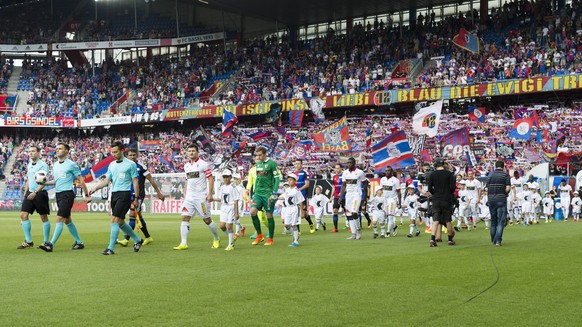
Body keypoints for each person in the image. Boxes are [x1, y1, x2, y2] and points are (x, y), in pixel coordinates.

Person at [89, 141, 144, 255]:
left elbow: (135, 181)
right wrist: (95, 188)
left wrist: (136, 197)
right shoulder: (112, 165)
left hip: (124, 194)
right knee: (120, 222)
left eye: (115, 152)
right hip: (114, 194)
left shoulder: (130, 164)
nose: (113, 154)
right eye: (112, 152)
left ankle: (110, 248)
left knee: (114, 220)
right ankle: (138, 240)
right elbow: (106, 181)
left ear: (122, 150)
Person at [39, 143, 91, 252]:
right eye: (56, 149)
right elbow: (56, 181)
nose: (57, 150)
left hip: (67, 194)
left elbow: (81, 180)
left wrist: (87, 195)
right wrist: (44, 183)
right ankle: (79, 242)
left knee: (59, 218)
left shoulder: (72, 164)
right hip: (59, 194)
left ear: (66, 151)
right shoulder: (55, 165)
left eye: (60, 149)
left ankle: (50, 244)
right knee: (67, 220)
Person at [171, 143, 219, 250]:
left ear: (197, 152)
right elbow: (188, 180)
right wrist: (185, 192)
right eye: (189, 151)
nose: (191, 153)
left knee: (207, 220)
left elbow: (210, 179)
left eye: (193, 151)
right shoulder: (186, 166)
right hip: (189, 197)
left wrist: (210, 193)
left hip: (200, 197)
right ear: (187, 153)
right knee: (184, 217)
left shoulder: (203, 164)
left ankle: (216, 238)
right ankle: (183, 243)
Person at [117, 148, 165, 247]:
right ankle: (148, 237)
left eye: (134, 155)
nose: (132, 157)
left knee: (132, 214)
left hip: (138, 196)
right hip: (127, 194)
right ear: (127, 156)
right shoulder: (125, 167)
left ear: (137, 156)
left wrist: (159, 193)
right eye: (130, 155)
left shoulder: (141, 167)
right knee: (138, 216)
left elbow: (151, 180)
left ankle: (126, 239)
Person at [17, 145, 51, 249]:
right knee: (23, 215)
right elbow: (29, 179)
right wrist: (26, 191)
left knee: (43, 217)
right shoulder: (29, 164)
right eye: (29, 151)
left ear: (38, 153)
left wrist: (35, 192)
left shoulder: (43, 165)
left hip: (40, 193)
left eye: (33, 151)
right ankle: (29, 241)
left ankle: (45, 242)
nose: (31, 153)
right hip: (30, 192)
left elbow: (44, 182)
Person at [249, 146, 280, 246]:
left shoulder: (271, 164)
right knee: (252, 212)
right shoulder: (258, 164)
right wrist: (255, 191)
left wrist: (274, 192)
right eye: (257, 155)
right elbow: (258, 178)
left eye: (260, 155)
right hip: (258, 193)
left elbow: (277, 178)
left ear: (265, 154)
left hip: (268, 194)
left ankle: (270, 238)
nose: (258, 157)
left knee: (269, 214)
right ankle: (259, 235)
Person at [427, 158, 456, 247]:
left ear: (435, 165)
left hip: (436, 199)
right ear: (443, 165)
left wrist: (435, 193)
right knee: (448, 220)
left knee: (435, 220)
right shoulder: (449, 174)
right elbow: (452, 188)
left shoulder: (432, 174)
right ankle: (450, 240)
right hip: (446, 199)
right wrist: (448, 192)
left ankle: (432, 239)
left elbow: (429, 189)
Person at [212, 169, 240, 251]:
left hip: (230, 207)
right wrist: (213, 199)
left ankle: (230, 245)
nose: (225, 178)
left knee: (229, 226)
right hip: (223, 207)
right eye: (224, 177)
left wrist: (236, 212)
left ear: (230, 177)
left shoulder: (233, 188)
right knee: (222, 226)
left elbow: (236, 200)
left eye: (227, 177)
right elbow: (221, 199)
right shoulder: (222, 187)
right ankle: (231, 238)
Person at [485, 160, 511, 246]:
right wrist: (506, 193)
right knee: (501, 221)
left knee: (493, 221)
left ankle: (493, 240)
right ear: (503, 167)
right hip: (501, 199)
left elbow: (486, 188)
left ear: (495, 166)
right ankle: (498, 240)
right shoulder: (505, 175)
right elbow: (507, 188)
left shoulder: (490, 175)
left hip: (491, 199)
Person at [340, 157, 365, 240]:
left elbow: (365, 183)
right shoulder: (345, 173)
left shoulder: (360, 172)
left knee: (354, 213)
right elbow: (343, 185)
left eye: (350, 163)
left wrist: (365, 196)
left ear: (354, 163)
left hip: (357, 194)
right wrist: (340, 197)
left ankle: (358, 230)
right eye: (348, 163)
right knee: (349, 215)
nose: (349, 164)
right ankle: (353, 234)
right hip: (348, 195)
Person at [279, 173, 304, 246]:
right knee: (286, 225)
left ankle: (296, 241)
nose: (289, 182)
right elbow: (284, 197)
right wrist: (275, 198)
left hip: (294, 208)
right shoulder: (287, 190)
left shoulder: (297, 190)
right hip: (287, 209)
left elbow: (301, 201)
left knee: (294, 225)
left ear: (294, 181)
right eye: (288, 180)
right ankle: (295, 236)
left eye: (291, 180)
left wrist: (302, 212)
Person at [294, 159, 315, 233]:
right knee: (296, 212)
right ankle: (298, 230)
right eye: (296, 163)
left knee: (303, 215)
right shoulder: (294, 174)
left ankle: (310, 223)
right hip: (295, 196)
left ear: (301, 164)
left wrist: (299, 189)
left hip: (302, 195)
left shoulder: (305, 173)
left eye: (299, 163)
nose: (297, 165)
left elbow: (307, 184)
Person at [380, 167, 401, 237]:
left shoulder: (396, 180)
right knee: (386, 216)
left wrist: (399, 202)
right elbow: (381, 190)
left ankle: (388, 232)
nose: (387, 172)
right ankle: (394, 226)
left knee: (390, 215)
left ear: (392, 172)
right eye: (386, 171)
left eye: (389, 171)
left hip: (392, 199)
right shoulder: (382, 179)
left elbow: (398, 192)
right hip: (384, 199)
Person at [331, 163, 344, 233]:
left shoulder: (345, 176)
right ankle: (335, 228)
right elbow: (333, 187)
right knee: (335, 210)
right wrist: (331, 197)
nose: (337, 169)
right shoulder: (334, 177)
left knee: (347, 211)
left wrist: (341, 193)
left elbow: (346, 186)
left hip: (344, 196)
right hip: (336, 196)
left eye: (338, 168)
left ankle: (351, 227)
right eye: (336, 168)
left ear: (341, 168)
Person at [232, 172, 246, 238]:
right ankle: (242, 227)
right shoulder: (233, 186)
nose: (235, 180)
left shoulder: (241, 187)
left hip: (240, 202)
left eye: (236, 179)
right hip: (233, 203)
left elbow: (244, 196)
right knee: (233, 219)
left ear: (239, 180)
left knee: (236, 217)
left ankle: (236, 232)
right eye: (234, 179)